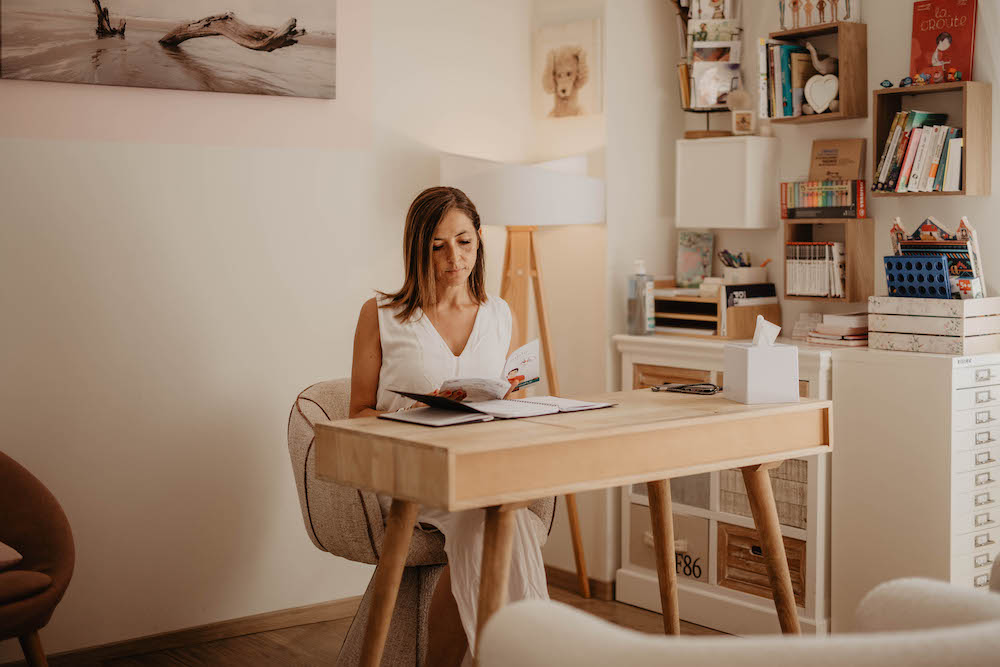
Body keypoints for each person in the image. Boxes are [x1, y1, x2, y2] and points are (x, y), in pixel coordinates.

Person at [349, 186, 549, 666]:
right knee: (495, 522)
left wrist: (511, 404)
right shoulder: (383, 315)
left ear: (479, 239)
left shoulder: (499, 315)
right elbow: (357, 412)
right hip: (408, 468)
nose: (453, 257)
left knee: (507, 520)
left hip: (478, 468)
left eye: (463, 241)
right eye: (437, 246)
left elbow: (506, 398)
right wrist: (417, 416)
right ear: (418, 248)